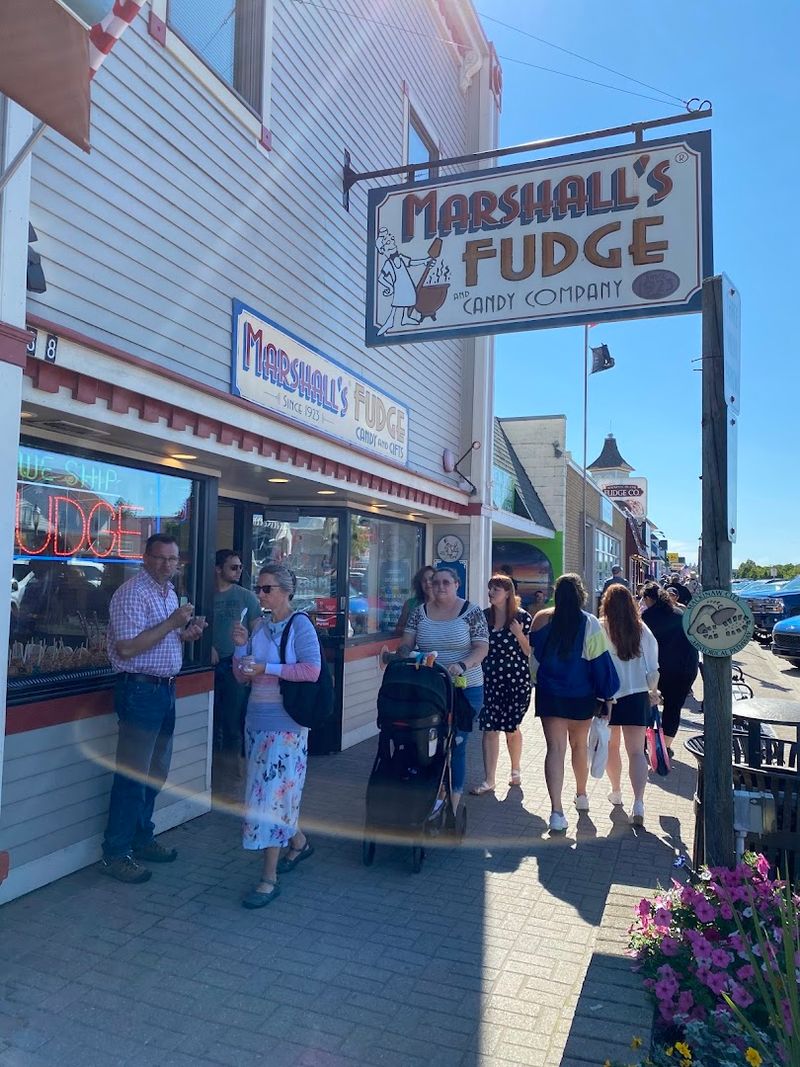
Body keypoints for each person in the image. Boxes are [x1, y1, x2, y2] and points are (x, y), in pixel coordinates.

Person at [101, 534, 207, 883]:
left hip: (164, 689)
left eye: (173, 559)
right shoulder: (132, 593)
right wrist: (172, 624)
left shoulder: (169, 594)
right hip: (139, 690)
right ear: (145, 558)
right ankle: (116, 853)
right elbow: (127, 648)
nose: (167, 565)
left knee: (155, 773)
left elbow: (160, 640)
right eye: (160, 558)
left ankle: (141, 837)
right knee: (133, 776)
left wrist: (185, 634)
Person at [231, 564, 320, 908]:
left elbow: (311, 670)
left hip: (286, 725)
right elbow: (242, 676)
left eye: (267, 588)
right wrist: (240, 649)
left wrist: (267, 668)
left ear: (286, 591)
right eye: (259, 588)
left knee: (268, 798)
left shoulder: (300, 625)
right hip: (256, 721)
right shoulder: (259, 626)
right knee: (267, 793)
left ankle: (268, 878)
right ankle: (298, 842)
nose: (261, 594)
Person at [530, 573, 619, 833]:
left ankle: (556, 812)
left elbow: (533, 659)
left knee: (554, 749)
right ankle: (581, 795)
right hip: (581, 694)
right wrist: (607, 696)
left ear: (556, 594)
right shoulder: (590, 623)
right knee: (579, 746)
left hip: (550, 693)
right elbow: (600, 663)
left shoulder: (540, 619)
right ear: (581, 595)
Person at [399, 567, 489, 811]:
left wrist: (463, 664)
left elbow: (482, 647)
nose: (440, 586)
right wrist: (404, 654)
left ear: (456, 584)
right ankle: (432, 792)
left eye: (446, 582)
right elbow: (406, 643)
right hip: (429, 688)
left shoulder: (471, 612)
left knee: (456, 743)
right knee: (428, 741)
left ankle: (453, 803)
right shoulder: (419, 612)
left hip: (464, 688)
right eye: (435, 582)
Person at [599, 584, 660, 827]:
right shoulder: (641, 629)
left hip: (609, 696)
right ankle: (639, 803)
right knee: (636, 751)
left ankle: (616, 792)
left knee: (611, 747)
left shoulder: (600, 627)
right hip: (637, 694)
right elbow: (653, 667)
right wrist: (653, 691)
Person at [471, 574, 532, 795]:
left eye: (495, 589)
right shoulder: (483, 617)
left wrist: (518, 634)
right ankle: (489, 779)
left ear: (507, 593)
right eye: (490, 589)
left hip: (515, 680)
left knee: (511, 728)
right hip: (488, 679)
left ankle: (515, 770)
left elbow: (528, 651)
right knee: (489, 728)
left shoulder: (522, 617)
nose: (490, 593)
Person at [212, 549, 261, 797]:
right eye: (233, 567)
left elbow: (258, 633)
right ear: (218, 569)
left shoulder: (246, 597)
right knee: (212, 725)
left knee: (232, 726)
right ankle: (210, 781)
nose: (239, 571)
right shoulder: (203, 593)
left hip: (234, 666)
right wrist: (203, 647)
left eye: (240, 567)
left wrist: (247, 654)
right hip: (207, 665)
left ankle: (230, 785)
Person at [640, 581, 699, 754]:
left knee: (648, 705)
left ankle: (646, 743)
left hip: (659, 669)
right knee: (673, 708)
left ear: (649, 598)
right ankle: (665, 747)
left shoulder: (648, 617)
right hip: (685, 668)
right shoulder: (680, 613)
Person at [394, 565, 435, 636]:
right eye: (424, 580)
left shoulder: (444, 604)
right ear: (419, 584)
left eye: (431, 579)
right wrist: (415, 629)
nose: (428, 582)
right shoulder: (410, 604)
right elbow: (398, 629)